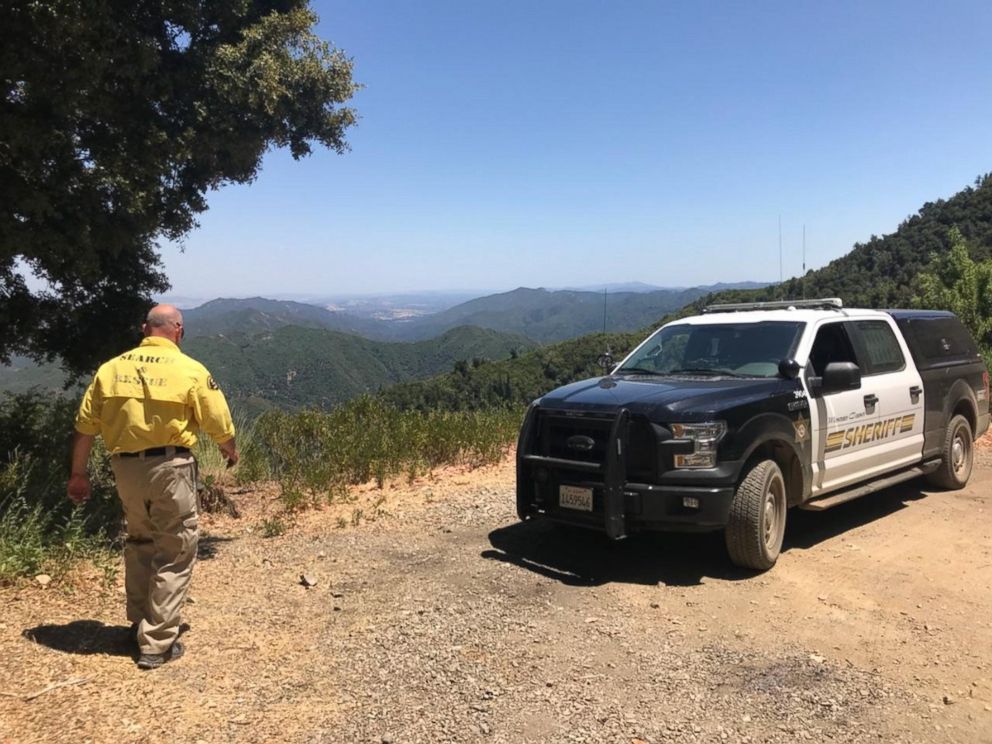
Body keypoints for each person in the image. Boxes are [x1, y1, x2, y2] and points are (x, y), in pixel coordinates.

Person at [67, 304, 238, 670]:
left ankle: (138, 624)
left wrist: (78, 474)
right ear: (178, 330)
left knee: (139, 541)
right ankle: (156, 642)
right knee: (174, 550)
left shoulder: (110, 370)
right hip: (169, 467)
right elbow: (218, 421)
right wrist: (230, 450)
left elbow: (84, 428)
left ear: (145, 328)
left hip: (125, 468)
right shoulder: (190, 369)